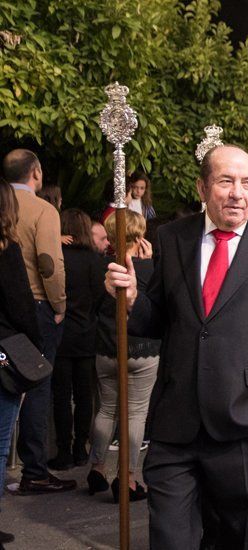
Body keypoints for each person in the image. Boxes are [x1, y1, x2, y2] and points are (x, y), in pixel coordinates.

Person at [104, 144, 248, 548]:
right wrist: (130, 301)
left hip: (247, 423)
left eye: (247, 183)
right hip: (176, 424)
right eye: (226, 181)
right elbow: (160, 318)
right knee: (169, 538)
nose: (238, 193)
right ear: (202, 187)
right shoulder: (173, 237)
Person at [3, 149, 75, 494]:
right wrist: (59, 303)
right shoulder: (43, 210)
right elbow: (49, 263)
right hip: (35, 305)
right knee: (36, 384)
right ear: (36, 172)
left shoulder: (4, 207)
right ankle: (34, 469)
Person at [88, 210, 157, 502]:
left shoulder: (101, 266)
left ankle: (97, 467)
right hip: (141, 349)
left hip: (107, 346)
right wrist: (150, 262)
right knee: (136, 411)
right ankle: (127, 478)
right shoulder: (148, 269)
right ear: (139, 234)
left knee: (106, 408)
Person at [0, 179, 43, 545]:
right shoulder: (6, 249)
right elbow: (21, 307)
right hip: (2, 356)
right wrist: (36, 346)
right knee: (0, 443)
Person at [48, 209, 105, 471]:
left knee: (61, 395)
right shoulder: (95, 260)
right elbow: (98, 298)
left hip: (60, 333)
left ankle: (63, 449)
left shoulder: (59, 256)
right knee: (84, 395)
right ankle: (80, 447)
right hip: (85, 332)